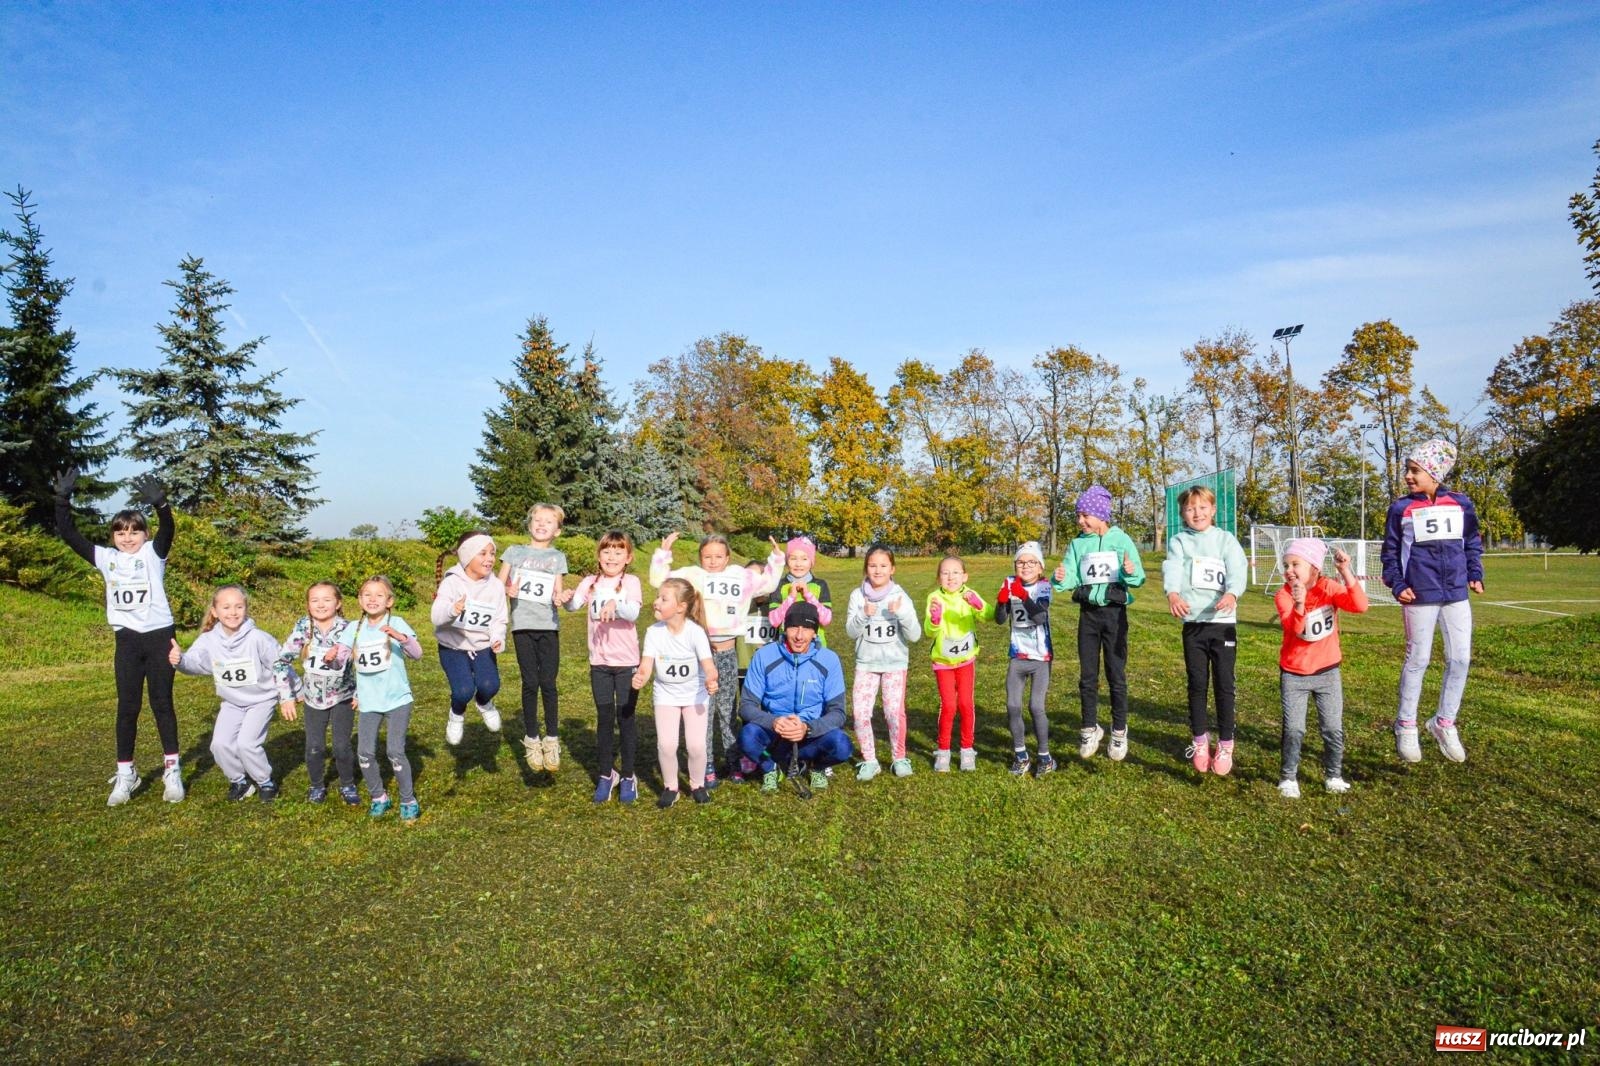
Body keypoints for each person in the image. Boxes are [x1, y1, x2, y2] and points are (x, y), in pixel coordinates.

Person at [53, 469, 185, 805]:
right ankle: (126, 773)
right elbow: (69, 534)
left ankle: (173, 770)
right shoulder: (105, 558)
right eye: (120, 532)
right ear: (113, 536)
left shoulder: (153, 554)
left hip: (159, 637)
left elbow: (168, 529)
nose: (127, 538)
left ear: (144, 534)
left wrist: (162, 505)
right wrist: (62, 500)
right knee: (127, 707)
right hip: (127, 641)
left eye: (134, 531)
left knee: (161, 703)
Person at [650, 531, 785, 785]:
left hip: (727, 652)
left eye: (718, 556)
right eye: (707, 556)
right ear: (700, 557)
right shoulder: (692, 576)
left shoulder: (740, 575)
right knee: (703, 711)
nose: (713, 561)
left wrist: (777, 559)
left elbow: (768, 583)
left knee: (727, 709)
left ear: (728, 557)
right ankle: (707, 765)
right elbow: (659, 581)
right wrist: (663, 553)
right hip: (699, 654)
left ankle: (734, 762)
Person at [1381, 439, 1484, 764]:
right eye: (1408, 470)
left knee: (1461, 659)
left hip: (1455, 593)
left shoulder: (1461, 503)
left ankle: (1444, 722)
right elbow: (1390, 553)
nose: (1409, 476)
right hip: (1419, 595)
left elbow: (1471, 541)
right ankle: (1406, 724)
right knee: (1418, 659)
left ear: (1434, 473)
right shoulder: (1401, 509)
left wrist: (1474, 571)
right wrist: (1398, 585)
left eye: (1415, 470)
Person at [1052, 486, 1146, 762]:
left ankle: (1119, 731)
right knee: (1087, 676)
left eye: (1085, 515)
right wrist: (1060, 577)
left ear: (1101, 515)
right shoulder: (1077, 544)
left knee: (1116, 675)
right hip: (1089, 616)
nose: (1080, 521)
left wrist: (1131, 572)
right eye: (1078, 515)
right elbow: (1070, 577)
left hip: (1115, 616)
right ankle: (1089, 728)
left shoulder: (1122, 540)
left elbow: (1137, 576)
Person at [1161, 485, 1248, 776]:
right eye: (1189, 508)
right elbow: (1172, 567)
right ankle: (1199, 741)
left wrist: (1233, 593)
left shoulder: (1226, 540)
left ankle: (1225, 745)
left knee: (1224, 685)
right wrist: (1173, 594)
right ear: (1183, 514)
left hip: (1222, 624)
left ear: (1213, 510)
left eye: (1202, 507)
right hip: (1194, 624)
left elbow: (1237, 569)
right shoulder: (1179, 541)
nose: (1196, 513)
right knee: (1197, 684)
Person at [169, 586, 283, 801]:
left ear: (246, 609)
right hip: (232, 702)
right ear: (215, 611)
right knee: (219, 744)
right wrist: (180, 661)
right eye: (226, 607)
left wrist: (294, 692)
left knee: (247, 744)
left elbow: (280, 664)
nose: (233, 612)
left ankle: (265, 782)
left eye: (239, 607)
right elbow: (196, 662)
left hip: (261, 700)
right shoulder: (208, 640)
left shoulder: (258, 638)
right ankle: (239, 781)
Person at [1275, 539, 1368, 797]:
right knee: (1294, 729)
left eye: (1296, 564)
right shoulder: (1283, 594)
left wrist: (1345, 571)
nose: (1289, 570)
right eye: (1286, 565)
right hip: (1294, 675)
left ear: (1314, 567)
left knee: (1332, 727)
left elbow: (1360, 605)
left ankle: (1334, 775)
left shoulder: (1329, 587)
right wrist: (1300, 604)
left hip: (1328, 673)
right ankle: (1288, 778)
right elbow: (1295, 629)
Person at [335, 576, 425, 822]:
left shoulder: (396, 622)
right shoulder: (353, 628)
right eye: (367, 594)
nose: (372, 599)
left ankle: (408, 799)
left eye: (379, 595)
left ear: (389, 600)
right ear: (360, 600)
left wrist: (400, 637)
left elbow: (417, 654)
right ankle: (378, 796)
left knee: (395, 751)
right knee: (364, 752)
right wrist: (333, 656)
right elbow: (341, 658)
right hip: (368, 702)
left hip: (397, 699)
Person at [739, 601, 852, 794]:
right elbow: (746, 706)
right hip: (776, 732)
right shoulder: (764, 655)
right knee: (747, 736)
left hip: (810, 733)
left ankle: (816, 766)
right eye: (793, 628)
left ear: (815, 632)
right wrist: (774, 721)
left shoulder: (829, 659)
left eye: (807, 628)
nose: (799, 636)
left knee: (842, 746)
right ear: (785, 629)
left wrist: (807, 728)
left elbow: (838, 712)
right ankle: (771, 768)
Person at [568, 531, 645, 804]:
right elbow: (573, 605)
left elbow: (634, 612)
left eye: (618, 552)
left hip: (626, 663)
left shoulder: (631, 582)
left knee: (625, 718)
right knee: (603, 718)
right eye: (606, 551)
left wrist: (616, 603)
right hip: (599, 663)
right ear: (599, 556)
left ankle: (627, 775)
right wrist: (565, 596)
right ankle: (605, 774)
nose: (611, 557)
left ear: (628, 557)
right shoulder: (589, 583)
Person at [498, 503, 572, 771]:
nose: (541, 525)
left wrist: (560, 598)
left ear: (558, 531)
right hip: (522, 626)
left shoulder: (557, 557)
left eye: (548, 522)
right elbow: (499, 585)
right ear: (529, 524)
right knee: (530, 682)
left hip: (549, 626)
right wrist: (508, 589)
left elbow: (557, 593)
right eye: (537, 520)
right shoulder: (514, 552)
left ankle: (552, 740)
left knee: (549, 683)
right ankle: (532, 739)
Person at [273, 581, 360, 804]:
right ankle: (316, 785)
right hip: (312, 699)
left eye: (327, 599)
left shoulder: (349, 628)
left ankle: (348, 784)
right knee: (314, 747)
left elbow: (361, 664)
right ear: (308, 605)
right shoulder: (304, 627)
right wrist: (287, 697)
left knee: (341, 746)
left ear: (338, 602)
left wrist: (361, 693)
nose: (321, 605)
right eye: (315, 600)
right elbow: (281, 662)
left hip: (343, 697)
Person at [632, 577, 717, 808]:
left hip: (695, 697)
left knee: (696, 746)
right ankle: (671, 787)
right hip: (666, 696)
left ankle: (697, 784)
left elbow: (708, 665)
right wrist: (642, 676)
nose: (656, 602)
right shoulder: (653, 632)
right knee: (667, 745)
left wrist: (711, 678)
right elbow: (647, 663)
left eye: (663, 598)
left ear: (681, 607)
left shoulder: (695, 633)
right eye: (658, 597)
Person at [843, 545, 922, 780]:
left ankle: (899, 757)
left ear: (892, 569)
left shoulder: (900, 596)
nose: (877, 570)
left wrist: (901, 614)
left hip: (895, 664)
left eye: (883, 566)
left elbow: (915, 635)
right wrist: (863, 615)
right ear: (866, 568)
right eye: (872, 565)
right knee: (860, 713)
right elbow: (849, 631)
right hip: (866, 664)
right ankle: (870, 760)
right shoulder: (857, 596)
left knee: (892, 713)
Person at [433, 531, 507, 749]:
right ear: (466, 556)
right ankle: (456, 714)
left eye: (492, 553)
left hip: (483, 646)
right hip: (453, 647)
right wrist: (452, 610)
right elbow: (436, 616)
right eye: (482, 553)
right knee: (463, 690)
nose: (490, 559)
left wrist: (497, 638)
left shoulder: (496, 586)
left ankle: (484, 703)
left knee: (490, 685)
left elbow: (499, 619)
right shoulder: (452, 583)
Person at [997, 541, 1057, 776]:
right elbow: (1001, 619)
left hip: (1041, 657)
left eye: (1031, 562)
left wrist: (1022, 596)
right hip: (1017, 656)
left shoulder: (1044, 586)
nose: (1025, 566)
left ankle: (1045, 756)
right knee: (1013, 705)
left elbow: (1040, 617)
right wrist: (1002, 602)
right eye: (1020, 562)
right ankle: (1021, 754)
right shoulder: (1009, 582)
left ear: (1040, 567)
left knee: (1036, 706)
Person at [924, 555, 987, 772]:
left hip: (966, 661)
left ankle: (967, 749)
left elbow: (987, 615)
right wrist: (934, 618)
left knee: (966, 705)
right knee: (949, 705)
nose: (950, 577)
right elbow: (928, 632)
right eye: (945, 573)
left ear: (965, 576)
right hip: (943, 662)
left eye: (955, 572)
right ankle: (943, 752)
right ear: (938, 577)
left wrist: (977, 605)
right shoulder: (934, 597)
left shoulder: (970, 594)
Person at [764, 535, 833, 643]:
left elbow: (826, 620)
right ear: (787, 561)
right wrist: (791, 597)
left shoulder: (820, 585)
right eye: (793, 558)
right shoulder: (779, 585)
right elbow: (774, 621)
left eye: (804, 559)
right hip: (786, 650)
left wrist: (808, 595)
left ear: (811, 562)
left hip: (814, 649)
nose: (798, 564)